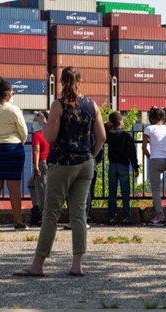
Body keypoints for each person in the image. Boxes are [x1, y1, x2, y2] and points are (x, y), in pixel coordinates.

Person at [13, 66, 106, 277]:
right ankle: (77, 265)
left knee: (51, 214)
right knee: (78, 214)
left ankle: (37, 265)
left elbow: (51, 136)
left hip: (61, 164)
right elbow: (101, 137)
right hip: (85, 165)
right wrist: (90, 154)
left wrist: (43, 123)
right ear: (80, 81)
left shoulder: (58, 105)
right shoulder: (92, 105)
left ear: (61, 82)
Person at [0, 75, 29, 230]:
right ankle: (18, 221)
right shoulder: (14, 109)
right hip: (13, 149)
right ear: (8, 93)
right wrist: (18, 142)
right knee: (14, 187)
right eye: (13, 92)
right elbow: (24, 132)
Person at [106, 111, 140, 225]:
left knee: (112, 192)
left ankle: (111, 217)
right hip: (123, 166)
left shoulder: (109, 134)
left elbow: (102, 133)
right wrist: (135, 167)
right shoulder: (126, 135)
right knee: (125, 192)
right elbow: (132, 153)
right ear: (120, 122)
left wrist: (107, 125)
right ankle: (126, 216)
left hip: (112, 165)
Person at [142, 106, 166, 226]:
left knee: (155, 189)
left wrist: (151, 157)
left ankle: (160, 216)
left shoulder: (149, 128)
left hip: (155, 160)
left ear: (152, 117)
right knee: (158, 185)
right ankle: (159, 213)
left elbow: (144, 148)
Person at [28, 111, 50, 227]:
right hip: (49, 162)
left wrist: (35, 166)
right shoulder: (50, 134)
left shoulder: (38, 134)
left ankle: (42, 215)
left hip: (41, 163)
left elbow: (36, 150)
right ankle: (36, 208)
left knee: (41, 190)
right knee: (31, 183)